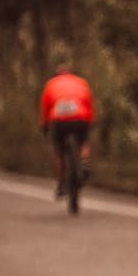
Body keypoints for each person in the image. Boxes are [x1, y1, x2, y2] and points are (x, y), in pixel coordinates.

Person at [38, 64, 95, 197]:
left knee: (59, 150)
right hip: (80, 118)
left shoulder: (51, 84)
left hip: (59, 121)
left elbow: (45, 108)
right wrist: (90, 121)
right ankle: (84, 161)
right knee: (84, 141)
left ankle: (62, 181)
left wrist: (44, 125)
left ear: (57, 74)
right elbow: (89, 103)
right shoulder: (81, 82)